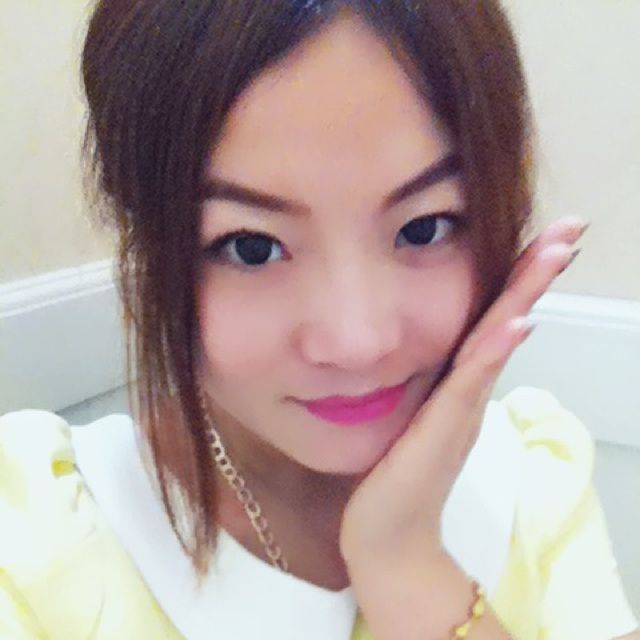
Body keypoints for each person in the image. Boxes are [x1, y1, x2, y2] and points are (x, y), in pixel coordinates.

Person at [1, 1, 638, 639]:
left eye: (424, 228)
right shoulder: (36, 538)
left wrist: (406, 564)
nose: (358, 342)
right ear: (143, 238)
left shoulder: (533, 479)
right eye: (252, 247)